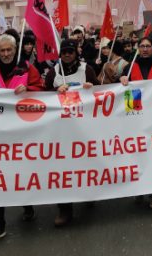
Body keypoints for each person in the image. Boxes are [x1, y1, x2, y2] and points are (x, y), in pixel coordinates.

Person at [0, 34, 44, 246]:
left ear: (16, 50)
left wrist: (30, 89)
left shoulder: (27, 68)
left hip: (22, 133)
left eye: (10, 51)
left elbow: (42, 90)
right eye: (2, 50)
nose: (6, 54)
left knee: (21, 174)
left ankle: (27, 204)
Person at [44, 39, 99, 227]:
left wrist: (91, 88)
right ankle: (64, 209)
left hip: (83, 128)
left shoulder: (87, 69)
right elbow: (43, 97)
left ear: (76, 53)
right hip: (60, 129)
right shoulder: (53, 72)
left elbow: (101, 90)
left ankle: (89, 193)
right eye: (64, 52)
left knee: (84, 165)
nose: (67, 55)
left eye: (70, 51)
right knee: (63, 170)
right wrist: (54, 90)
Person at [120, 36, 152, 209]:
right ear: (138, 48)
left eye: (148, 46)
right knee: (136, 154)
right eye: (142, 46)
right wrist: (122, 81)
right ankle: (139, 189)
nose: (145, 49)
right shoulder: (129, 66)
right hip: (134, 113)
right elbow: (118, 88)